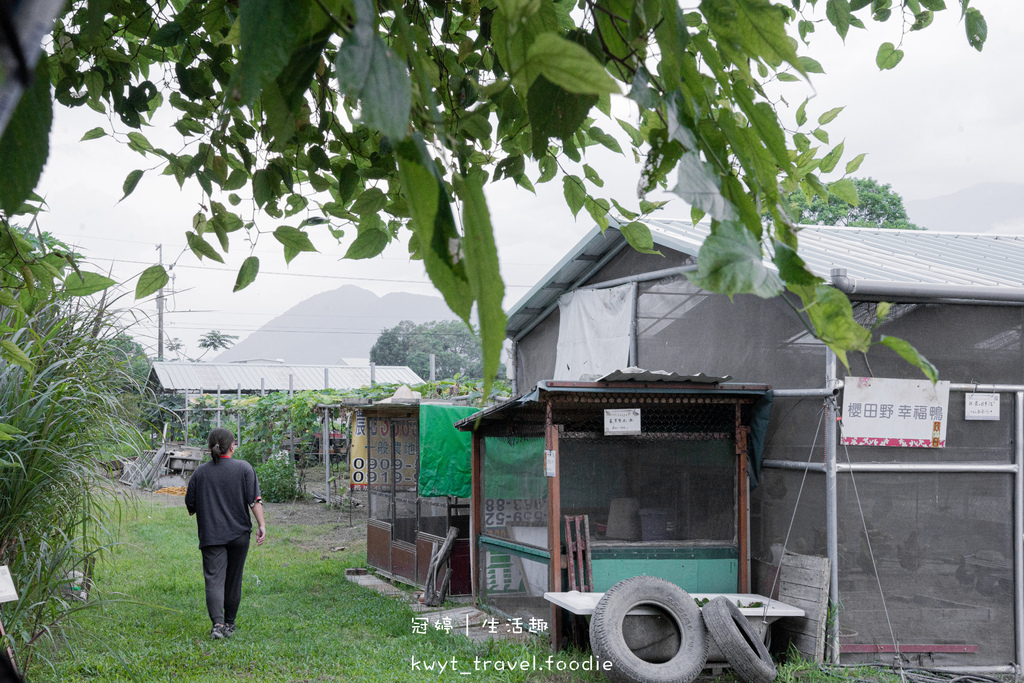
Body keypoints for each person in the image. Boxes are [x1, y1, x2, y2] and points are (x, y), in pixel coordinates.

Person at [184, 428, 266, 640]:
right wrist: (261, 525)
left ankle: (217, 625)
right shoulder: (244, 468)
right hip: (239, 534)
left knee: (214, 579)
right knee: (233, 579)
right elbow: (254, 501)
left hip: (211, 535)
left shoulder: (200, 473)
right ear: (232, 446)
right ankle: (230, 623)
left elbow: (190, 504)